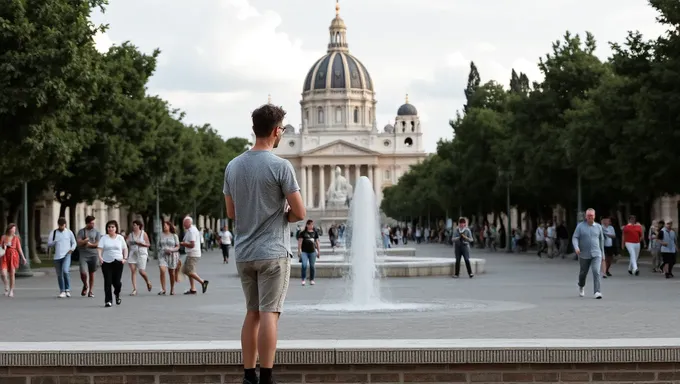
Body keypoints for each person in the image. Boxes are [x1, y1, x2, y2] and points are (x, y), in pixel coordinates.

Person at [223, 103, 305, 384]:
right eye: (281, 128)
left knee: (252, 313)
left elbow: (232, 213)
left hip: (244, 252)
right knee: (270, 313)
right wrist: (284, 215)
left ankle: (248, 375)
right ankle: (267, 375)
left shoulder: (233, 165)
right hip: (273, 252)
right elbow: (300, 212)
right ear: (275, 131)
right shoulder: (281, 166)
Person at [572, 208, 604, 299]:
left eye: (592, 215)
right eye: (588, 215)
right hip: (583, 254)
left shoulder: (598, 227)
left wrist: (603, 255)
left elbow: (601, 240)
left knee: (596, 271)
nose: (590, 217)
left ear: (594, 216)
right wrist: (576, 247)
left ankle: (597, 291)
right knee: (583, 273)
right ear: (586, 216)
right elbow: (575, 237)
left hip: (596, 254)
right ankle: (581, 286)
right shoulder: (580, 226)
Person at [97, 220, 127, 307]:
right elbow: (99, 248)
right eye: (109, 227)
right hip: (106, 262)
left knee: (117, 282)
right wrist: (100, 257)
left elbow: (125, 248)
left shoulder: (120, 238)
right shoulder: (104, 238)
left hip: (118, 261)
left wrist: (125, 258)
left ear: (116, 228)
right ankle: (108, 300)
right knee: (108, 281)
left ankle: (117, 294)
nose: (110, 228)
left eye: (112, 227)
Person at [47, 217, 77, 298]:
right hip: (57, 256)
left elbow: (74, 242)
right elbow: (49, 244)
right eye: (60, 225)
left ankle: (67, 289)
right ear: (58, 225)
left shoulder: (69, 232)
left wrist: (72, 249)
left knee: (65, 271)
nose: (61, 227)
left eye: (63, 225)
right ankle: (62, 290)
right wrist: (54, 242)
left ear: (65, 224)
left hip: (67, 254)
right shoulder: (53, 233)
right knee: (59, 274)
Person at [180, 217, 209, 295]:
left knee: (187, 271)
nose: (183, 225)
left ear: (189, 222)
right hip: (191, 254)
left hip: (193, 254)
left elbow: (192, 244)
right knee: (189, 271)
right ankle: (193, 288)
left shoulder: (192, 231)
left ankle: (202, 282)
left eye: (184, 223)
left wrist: (183, 244)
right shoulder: (190, 230)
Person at [77, 215, 101, 297]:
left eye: (94, 223)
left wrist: (90, 245)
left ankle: (91, 291)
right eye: (91, 223)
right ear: (87, 223)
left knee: (91, 273)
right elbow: (79, 242)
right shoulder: (81, 231)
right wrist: (84, 241)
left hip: (93, 254)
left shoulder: (97, 232)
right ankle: (85, 285)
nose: (93, 225)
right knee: (83, 272)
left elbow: (98, 243)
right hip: (83, 254)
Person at [126, 220, 152, 295]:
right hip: (133, 253)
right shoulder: (131, 234)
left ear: (139, 226)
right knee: (133, 271)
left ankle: (148, 281)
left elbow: (148, 244)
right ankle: (134, 289)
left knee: (141, 271)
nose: (133, 226)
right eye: (133, 225)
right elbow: (127, 242)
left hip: (142, 253)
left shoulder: (143, 234)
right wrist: (128, 242)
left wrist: (141, 243)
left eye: (135, 225)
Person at [0, 223, 26, 297]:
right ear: (9, 229)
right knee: (3, 273)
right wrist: (4, 245)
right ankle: (6, 285)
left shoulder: (16, 238)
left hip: (13, 256)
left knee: (12, 274)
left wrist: (23, 257)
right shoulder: (3, 237)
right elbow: (0, 247)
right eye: (12, 229)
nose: (13, 231)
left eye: (14, 229)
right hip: (4, 256)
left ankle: (11, 290)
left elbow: (19, 248)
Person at [158, 221, 180, 295]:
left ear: (169, 226)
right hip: (162, 255)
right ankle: (163, 289)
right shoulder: (161, 235)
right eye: (163, 226)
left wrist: (171, 250)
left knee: (172, 273)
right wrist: (162, 250)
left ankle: (172, 289)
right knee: (162, 270)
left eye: (166, 226)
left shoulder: (174, 236)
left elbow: (177, 246)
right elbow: (158, 246)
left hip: (172, 256)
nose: (164, 227)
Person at [297, 219, 320, 286]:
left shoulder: (315, 233)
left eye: (312, 224)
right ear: (307, 225)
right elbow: (300, 242)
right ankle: (303, 279)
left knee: (312, 266)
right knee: (304, 265)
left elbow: (317, 242)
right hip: (304, 252)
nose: (312, 226)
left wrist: (318, 252)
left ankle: (312, 279)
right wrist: (299, 251)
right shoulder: (303, 233)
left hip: (313, 252)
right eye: (310, 224)